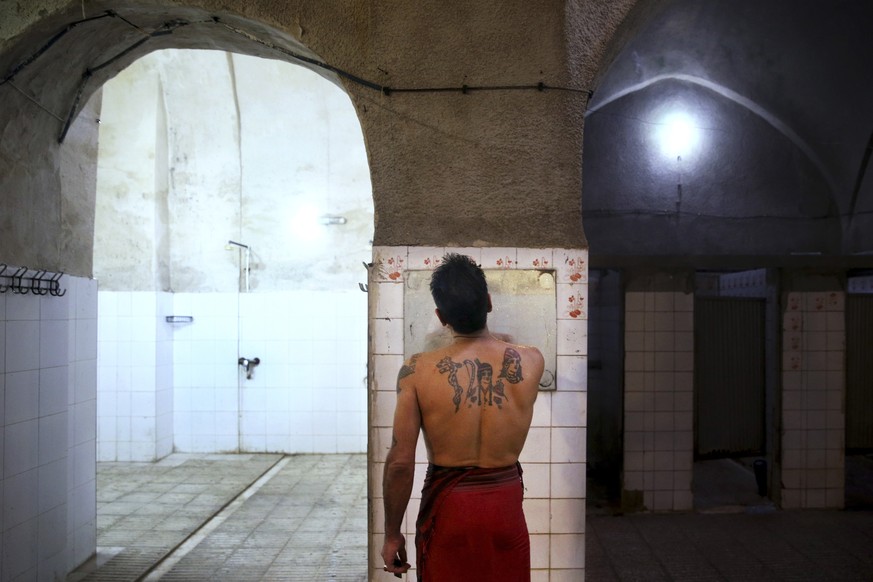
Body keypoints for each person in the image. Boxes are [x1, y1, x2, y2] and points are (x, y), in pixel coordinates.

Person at [381, 253, 544, 581]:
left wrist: (391, 533)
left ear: (441, 317)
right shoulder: (531, 361)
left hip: (449, 511)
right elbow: (503, 344)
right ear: (489, 303)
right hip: (505, 509)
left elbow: (400, 462)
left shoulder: (416, 370)